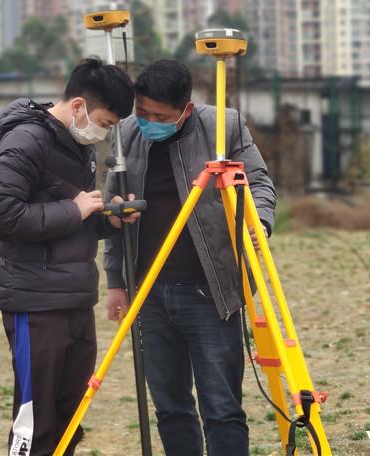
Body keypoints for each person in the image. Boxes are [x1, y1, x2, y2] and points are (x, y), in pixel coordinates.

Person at [104, 59, 276, 456]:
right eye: (143, 113)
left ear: (186, 109)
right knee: (170, 406)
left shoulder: (224, 127)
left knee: (221, 407)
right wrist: (116, 281)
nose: (149, 122)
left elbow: (259, 183)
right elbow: (113, 213)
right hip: (149, 292)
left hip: (210, 291)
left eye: (160, 117)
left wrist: (260, 221)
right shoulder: (126, 134)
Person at [0, 58, 136, 456]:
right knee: (35, 419)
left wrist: (107, 220)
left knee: (69, 416)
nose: (104, 133)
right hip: (35, 301)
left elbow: (70, 217)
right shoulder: (26, 141)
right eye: (104, 122)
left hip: (75, 298)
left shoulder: (75, 145)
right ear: (79, 105)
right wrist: (75, 210)